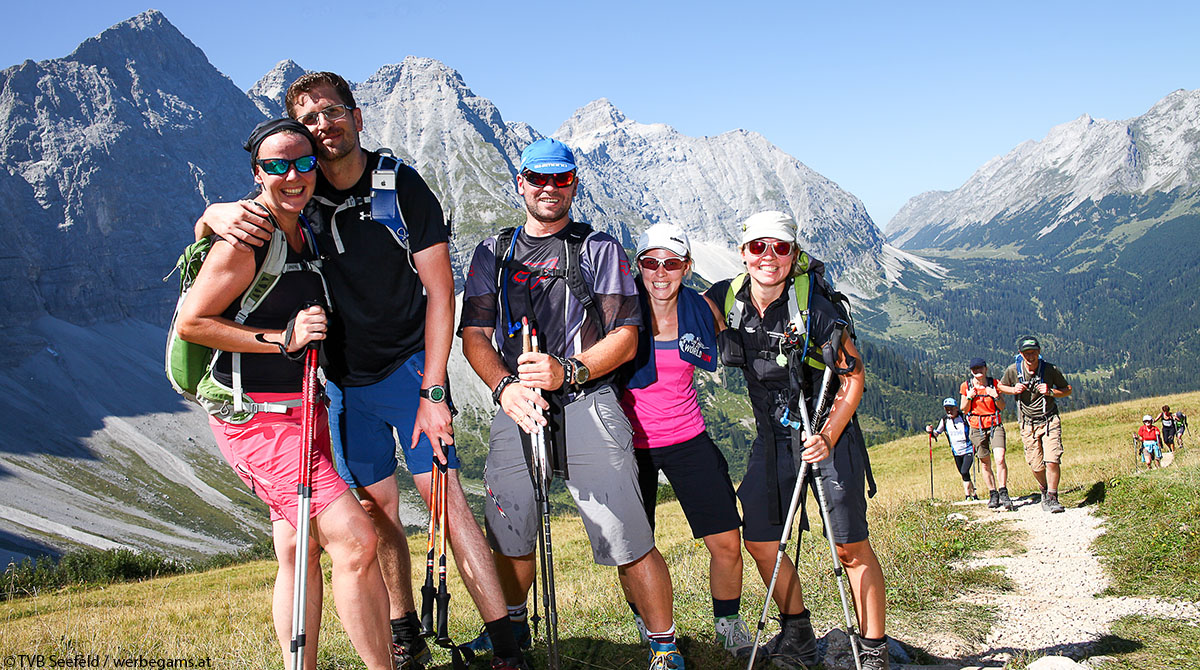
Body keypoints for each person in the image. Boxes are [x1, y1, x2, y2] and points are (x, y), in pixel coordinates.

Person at [194, 72, 528, 670]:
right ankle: (403, 633)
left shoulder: (399, 186)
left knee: (443, 499)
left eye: (333, 112)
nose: (324, 126)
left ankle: (506, 644)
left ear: (357, 117)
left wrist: (433, 389)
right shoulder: (301, 188)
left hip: (407, 373)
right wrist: (211, 215)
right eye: (311, 118)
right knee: (374, 511)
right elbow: (243, 228)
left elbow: (440, 291)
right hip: (343, 386)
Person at [176, 119, 392, 670]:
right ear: (257, 173)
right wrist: (284, 339)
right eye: (276, 165)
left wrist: (206, 214)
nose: (292, 175)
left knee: (297, 549)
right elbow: (192, 322)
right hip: (257, 421)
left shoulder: (305, 227)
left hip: (304, 412)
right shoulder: (249, 237)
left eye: (302, 163)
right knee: (357, 541)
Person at [459, 139, 683, 670]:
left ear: (573, 186)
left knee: (628, 537)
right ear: (521, 183)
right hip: (518, 404)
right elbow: (474, 335)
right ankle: (509, 634)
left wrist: (571, 370)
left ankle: (664, 648)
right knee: (509, 530)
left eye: (560, 180)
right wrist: (503, 388)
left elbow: (627, 335)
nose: (548, 188)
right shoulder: (493, 252)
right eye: (537, 178)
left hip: (587, 398)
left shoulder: (598, 248)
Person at [704, 211, 889, 670]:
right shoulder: (724, 299)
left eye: (780, 248)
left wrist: (827, 436)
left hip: (825, 433)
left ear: (793, 254)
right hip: (771, 435)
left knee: (848, 546)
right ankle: (798, 631)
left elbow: (853, 374)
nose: (769, 257)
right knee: (762, 540)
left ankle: (873, 649)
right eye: (758, 247)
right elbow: (672, 316)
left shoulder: (813, 308)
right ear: (743, 252)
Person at [619, 223, 753, 659]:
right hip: (627, 445)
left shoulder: (702, 310)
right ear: (637, 267)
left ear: (687, 268)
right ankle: (646, 619)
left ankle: (728, 622)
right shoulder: (617, 309)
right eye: (650, 262)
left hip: (687, 436)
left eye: (672, 263)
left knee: (727, 542)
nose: (661, 272)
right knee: (632, 548)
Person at [997, 336, 1073, 514]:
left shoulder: (1050, 369)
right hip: (1027, 423)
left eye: (1034, 352)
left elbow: (1067, 389)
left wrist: (1051, 392)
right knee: (1036, 465)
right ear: (1020, 354)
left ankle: (1053, 497)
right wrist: (1013, 390)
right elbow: (1001, 386)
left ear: (1039, 352)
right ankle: (1045, 491)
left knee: (1052, 459)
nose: (1030, 356)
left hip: (1049, 420)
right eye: (1027, 353)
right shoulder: (1013, 370)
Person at [960, 358, 1011, 510]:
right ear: (971, 371)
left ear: (986, 369)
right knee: (985, 462)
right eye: (974, 369)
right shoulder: (966, 386)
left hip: (995, 425)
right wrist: (969, 396)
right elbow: (964, 409)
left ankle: (1003, 491)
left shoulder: (994, 383)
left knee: (1000, 458)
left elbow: (1001, 406)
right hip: (977, 427)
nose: (978, 372)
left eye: (980, 368)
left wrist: (995, 395)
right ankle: (992, 493)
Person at [928, 397, 976, 500]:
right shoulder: (945, 420)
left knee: (964, 471)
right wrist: (930, 432)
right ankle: (974, 495)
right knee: (964, 473)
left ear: (956, 408)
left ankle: (967, 495)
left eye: (951, 408)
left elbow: (973, 428)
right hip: (956, 451)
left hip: (968, 449)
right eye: (946, 409)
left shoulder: (964, 418)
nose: (949, 411)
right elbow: (937, 433)